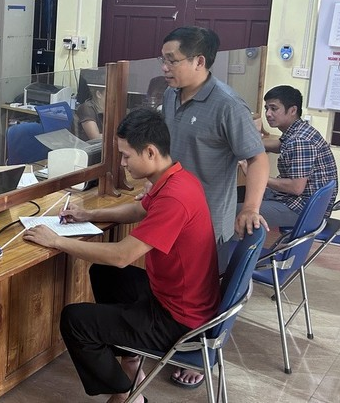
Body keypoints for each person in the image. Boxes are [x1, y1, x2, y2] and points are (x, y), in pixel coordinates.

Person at [23, 108, 220, 403]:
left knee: (76, 320)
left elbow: (122, 255)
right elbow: (140, 210)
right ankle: (131, 359)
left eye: (127, 156)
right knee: (103, 273)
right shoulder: (178, 179)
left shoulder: (175, 197)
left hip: (179, 319)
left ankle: (127, 394)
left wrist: (56, 241)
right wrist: (89, 214)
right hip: (178, 297)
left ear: (150, 152)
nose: (123, 163)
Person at [159, 26, 269, 388]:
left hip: (207, 222)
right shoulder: (171, 95)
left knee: (204, 297)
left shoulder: (227, 104)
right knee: (176, 289)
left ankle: (200, 357)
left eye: (172, 60)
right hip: (172, 213)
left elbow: (257, 159)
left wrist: (250, 207)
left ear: (199, 61)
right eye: (163, 59)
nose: (164, 67)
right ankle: (173, 343)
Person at [238, 85, 338, 227]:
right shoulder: (299, 130)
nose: (268, 114)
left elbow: (296, 188)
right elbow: (281, 145)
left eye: (274, 108)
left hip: (301, 209)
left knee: (235, 211)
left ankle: (240, 241)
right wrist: (248, 144)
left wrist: (255, 175)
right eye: (266, 108)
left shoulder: (300, 140)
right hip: (303, 202)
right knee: (236, 195)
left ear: (292, 110)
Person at [74, 75, 105, 140]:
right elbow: (95, 138)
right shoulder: (87, 108)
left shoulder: (108, 108)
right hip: (85, 145)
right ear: (99, 94)